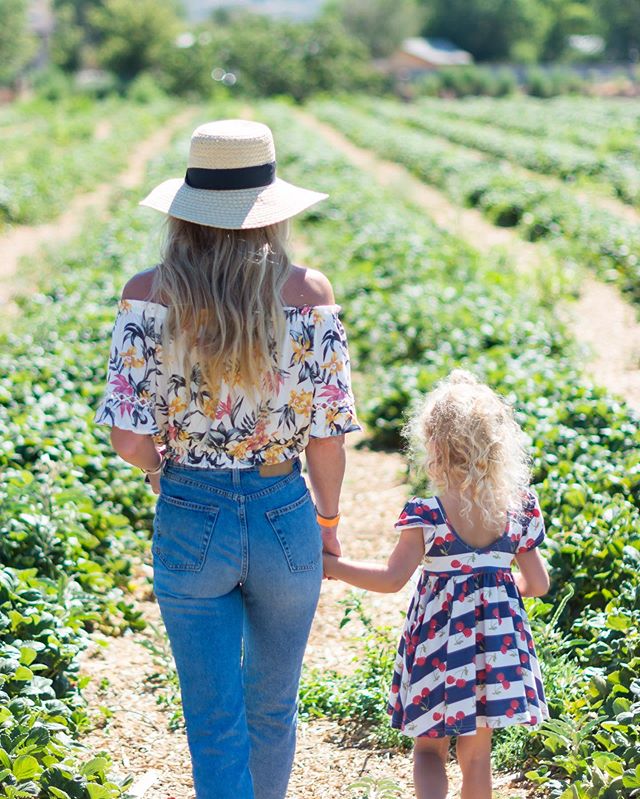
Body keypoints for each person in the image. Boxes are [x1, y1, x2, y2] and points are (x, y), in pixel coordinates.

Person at [94, 119, 361, 799]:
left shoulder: (147, 293)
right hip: (283, 510)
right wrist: (327, 523)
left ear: (188, 208)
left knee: (214, 720)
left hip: (189, 507)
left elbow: (129, 440)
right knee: (272, 709)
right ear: (271, 208)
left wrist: (165, 471)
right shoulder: (310, 294)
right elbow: (327, 439)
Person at [324, 370, 550, 799]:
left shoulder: (427, 514)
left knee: (428, 751)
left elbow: (392, 580)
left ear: (435, 447)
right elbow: (537, 583)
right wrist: (494, 590)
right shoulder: (517, 511)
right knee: (478, 757)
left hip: (438, 647)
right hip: (494, 649)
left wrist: (331, 565)